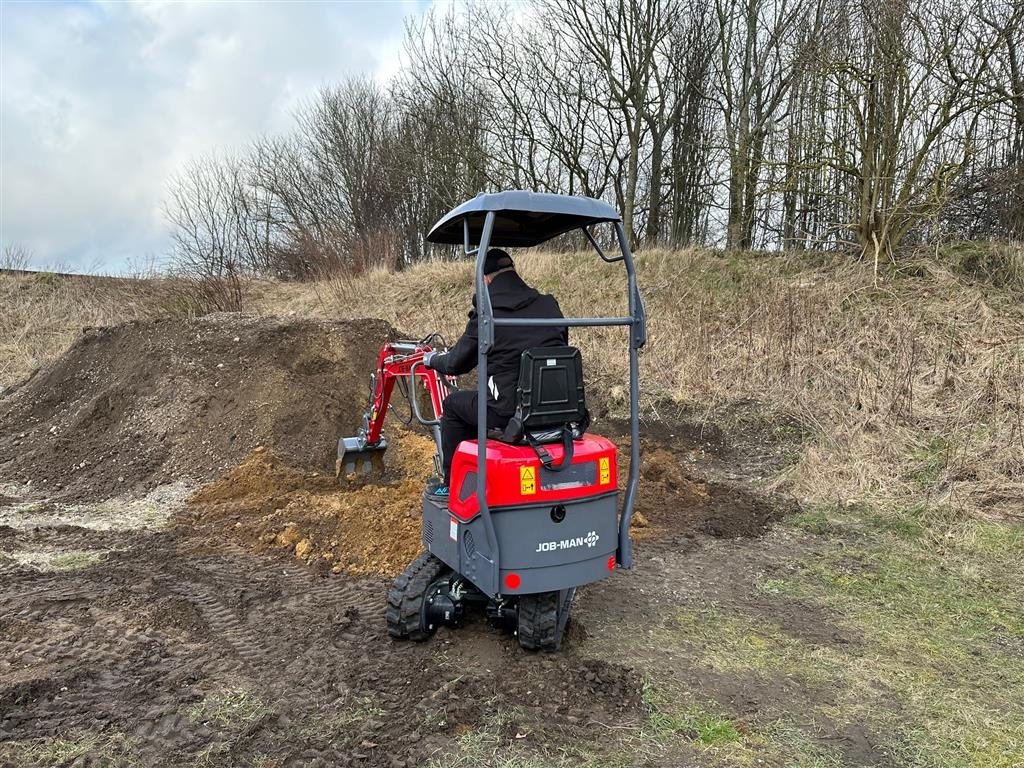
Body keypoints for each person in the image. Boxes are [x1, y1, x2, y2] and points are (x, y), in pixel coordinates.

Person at [422, 248, 566, 496]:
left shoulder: (488, 314)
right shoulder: (549, 305)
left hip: (508, 412)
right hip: (556, 407)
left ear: (485, 280)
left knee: (454, 405)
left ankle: (452, 485)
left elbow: (456, 364)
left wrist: (432, 359)